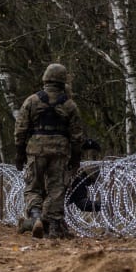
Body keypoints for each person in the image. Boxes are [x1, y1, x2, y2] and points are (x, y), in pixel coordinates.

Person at [14, 63, 84, 239]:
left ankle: (36, 216)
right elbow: (77, 136)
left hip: (36, 150)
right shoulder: (70, 105)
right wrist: (75, 159)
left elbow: (20, 129)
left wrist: (19, 152)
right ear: (63, 80)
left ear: (45, 78)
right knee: (56, 189)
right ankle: (53, 226)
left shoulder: (32, 101)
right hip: (60, 151)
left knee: (33, 186)